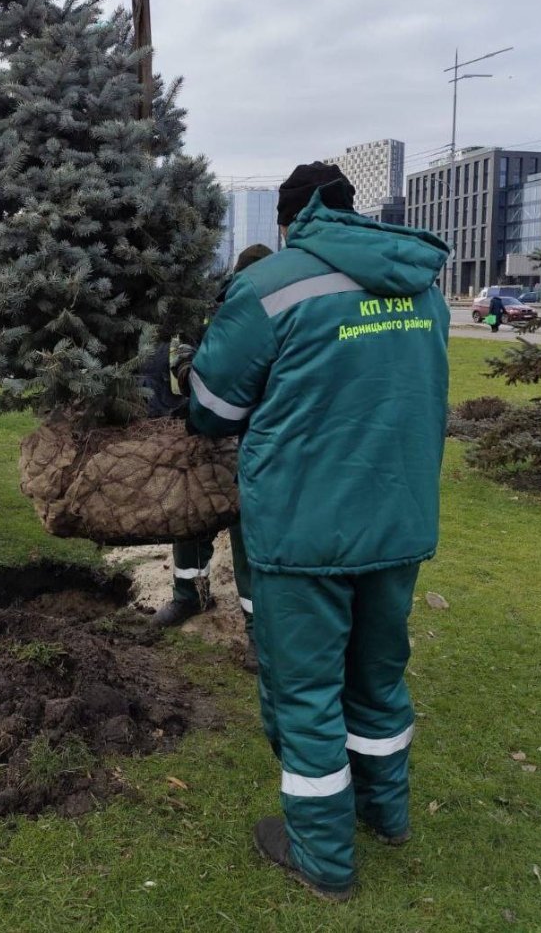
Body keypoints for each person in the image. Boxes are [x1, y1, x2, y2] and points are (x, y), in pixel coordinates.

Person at [187, 162, 449, 902]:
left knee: (305, 695)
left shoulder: (274, 285)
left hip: (304, 532)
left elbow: (211, 408)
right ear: (348, 208)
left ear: (287, 219)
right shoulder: (421, 283)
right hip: (398, 519)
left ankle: (323, 856)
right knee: (377, 678)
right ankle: (386, 812)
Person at [149, 244, 274, 675]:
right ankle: (189, 596)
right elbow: (185, 353)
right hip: (206, 429)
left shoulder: (275, 309)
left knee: (248, 532)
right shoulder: (214, 305)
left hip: (255, 438)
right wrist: (189, 369)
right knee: (190, 514)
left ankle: (260, 631)